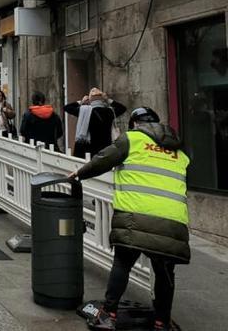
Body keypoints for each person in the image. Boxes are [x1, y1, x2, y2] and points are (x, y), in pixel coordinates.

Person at [68, 107, 190, 331]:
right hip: (173, 221)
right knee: (164, 272)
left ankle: (108, 314)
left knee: (123, 263)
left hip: (136, 214)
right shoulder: (178, 150)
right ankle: (162, 322)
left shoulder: (131, 139)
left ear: (134, 123)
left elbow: (103, 159)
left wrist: (79, 173)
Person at [64, 87, 127, 159]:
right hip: (105, 147)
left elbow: (67, 108)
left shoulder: (83, 111)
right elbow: (122, 108)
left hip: (88, 149)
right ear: (102, 100)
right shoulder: (109, 112)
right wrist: (108, 99)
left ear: (90, 100)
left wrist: (81, 101)